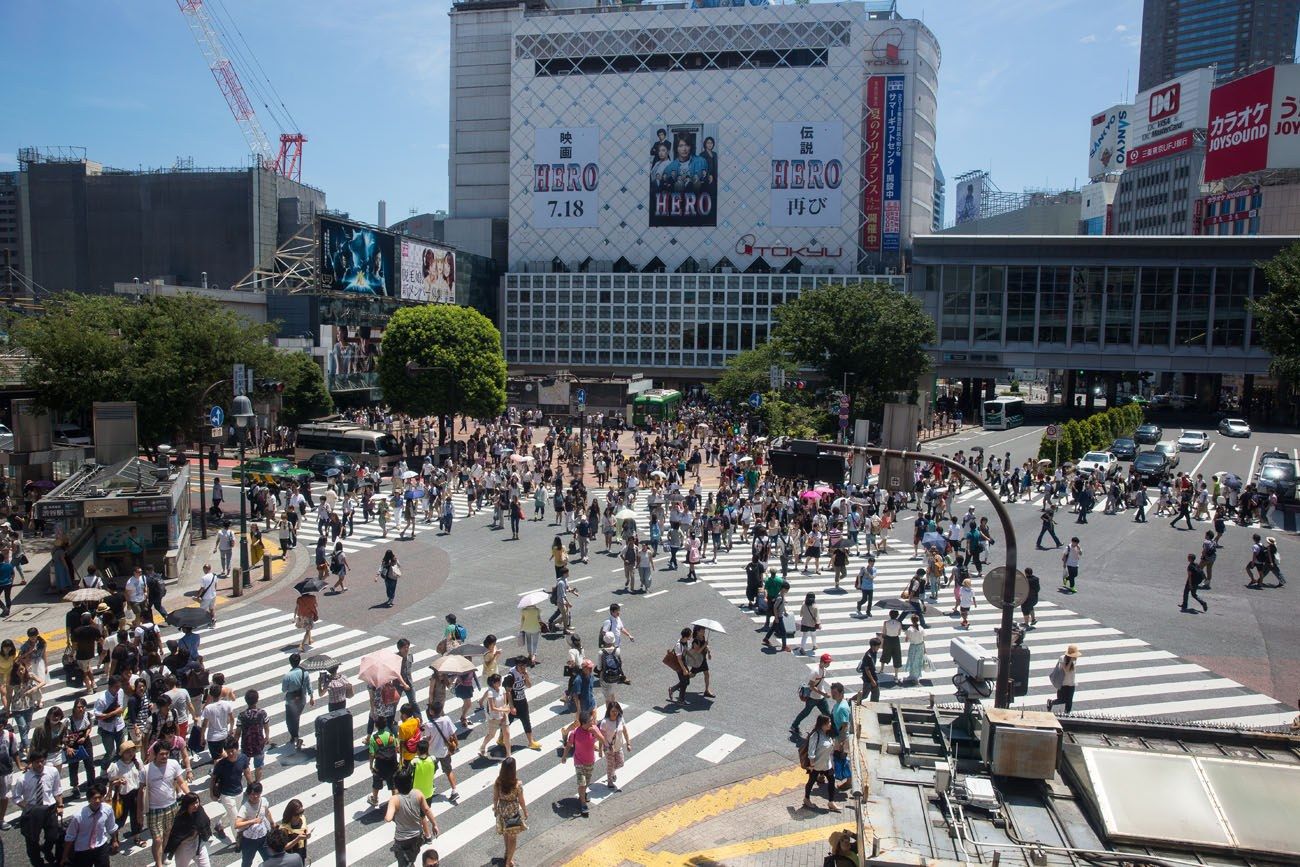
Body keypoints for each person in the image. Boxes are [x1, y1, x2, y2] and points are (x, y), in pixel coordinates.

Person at [143, 739, 188, 867]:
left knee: (168, 834)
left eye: (166, 754)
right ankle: (158, 864)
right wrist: (139, 813)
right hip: (154, 810)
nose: (164, 756)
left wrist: (190, 795)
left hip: (171, 806)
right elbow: (141, 792)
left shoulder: (173, 764)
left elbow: (181, 781)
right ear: (155, 755)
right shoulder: (146, 770)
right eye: (162, 754)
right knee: (157, 839)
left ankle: (163, 856)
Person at [14, 751, 63, 867]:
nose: (40, 764)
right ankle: (37, 862)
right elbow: (16, 797)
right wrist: (27, 807)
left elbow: (57, 790)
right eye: (37, 762)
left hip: (49, 808)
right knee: (32, 840)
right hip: (33, 811)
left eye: (42, 761)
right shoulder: (23, 779)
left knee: (53, 835)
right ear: (31, 763)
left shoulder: (52, 772)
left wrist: (60, 805)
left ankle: (46, 849)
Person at [385, 766, 439, 867]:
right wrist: (434, 824)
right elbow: (427, 810)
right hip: (417, 837)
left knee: (405, 863)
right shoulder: (417, 793)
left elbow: (388, 818)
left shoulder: (395, 799)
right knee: (410, 861)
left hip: (402, 839)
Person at [60, 780, 120, 865]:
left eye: (100, 797)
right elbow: (70, 837)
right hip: (83, 850)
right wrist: (64, 856)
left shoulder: (107, 809)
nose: (97, 801)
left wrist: (114, 841)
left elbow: (112, 827)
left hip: (101, 846)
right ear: (89, 800)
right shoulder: (78, 817)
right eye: (94, 798)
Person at [562, 708, 603, 818]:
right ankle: (583, 804)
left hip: (590, 761)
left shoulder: (594, 729)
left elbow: (602, 740)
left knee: (587, 781)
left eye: (592, 720)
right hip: (578, 761)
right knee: (582, 783)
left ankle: (582, 795)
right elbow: (569, 745)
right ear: (583, 724)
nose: (593, 721)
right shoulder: (575, 733)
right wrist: (564, 756)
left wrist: (599, 749)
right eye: (590, 721)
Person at [210, 738, 250, 844]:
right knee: (235, 818)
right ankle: (239, 840)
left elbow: (247, 771)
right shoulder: (221, 764)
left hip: (239, 792)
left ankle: (220, 825)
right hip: (226, 795)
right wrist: (212, 793)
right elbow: (213, 778)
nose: (230, 754)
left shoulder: (243, 758)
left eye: (232, 751)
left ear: (237, 749)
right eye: (228, 752)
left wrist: (251, 785)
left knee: (232, 813)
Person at [108, 739, 144, 849]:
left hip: (136, 794)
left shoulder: (137, 762)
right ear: (122, 753)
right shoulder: (115, 766)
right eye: (128, 751)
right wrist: (118, 782)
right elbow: (110, 782)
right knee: (119, 818)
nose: (131, 753)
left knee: (136, 816)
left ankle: (137, 837)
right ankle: (114, 839)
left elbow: (142, 776)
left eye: (133, 750)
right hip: (121, 796)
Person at [492, 757, 527, 867]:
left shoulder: (498, 782)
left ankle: (507, 853)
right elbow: (521, 800)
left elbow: (495, 798)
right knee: (513, 838)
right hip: (513, 812)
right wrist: (525, 811)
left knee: (506, 833)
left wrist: (495, 808)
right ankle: (508, 862)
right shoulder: (517, 784)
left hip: (502, 809)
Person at [800, 715, 839, 812]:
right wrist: (812, 765)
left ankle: (831, 802)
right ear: (823, 724)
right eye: (829, 722)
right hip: (816, 766)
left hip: (827, 764)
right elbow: (811, 752)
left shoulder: (828, 734)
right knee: (811, 782)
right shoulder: (815, 735)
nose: (830, 724)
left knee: (832, 781)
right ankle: (806, 799)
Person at [502, 657, 542, 753]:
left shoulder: (524, 672)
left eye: (525, 665)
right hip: (514, 702)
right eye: (521, 666)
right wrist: (511, 706)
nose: (523, 668)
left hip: (522, 701)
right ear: (517, 665)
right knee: (508, 722)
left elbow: (529, 686)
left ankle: (531, 741)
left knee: (526, 720)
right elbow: (508, 692)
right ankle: (500, 738)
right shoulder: (511, 676)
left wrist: (526, 676)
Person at [423, 702, 460, 804]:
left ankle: (430, 786)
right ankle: (454, 790)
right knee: (448, 770)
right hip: (445, 751)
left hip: (432, 752)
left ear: (431, 711)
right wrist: (456, 744)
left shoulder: (429, 725)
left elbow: (428, 738)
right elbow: (453, 733)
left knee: (430, 770)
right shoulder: (447, 719)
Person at [163, 793, 213, 867]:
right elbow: (175, 837)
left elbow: (206, 822)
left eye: (197, 802)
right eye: (192, 804)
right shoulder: (180, 818)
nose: (196, 805)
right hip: (184, 846)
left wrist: (206, 835)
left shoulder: (200, 811)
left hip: (198, 843)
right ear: (187, 805)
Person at [791, 654, 832, 737]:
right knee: (805, 713)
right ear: (822, 662)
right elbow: (811, 686)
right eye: (827, 662)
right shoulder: (815, 672)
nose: (829, 664)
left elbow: (820, 684)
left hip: (820, 698)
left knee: (827, 714)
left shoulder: (824, 670)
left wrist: (823, 694)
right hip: (813, 697)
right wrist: (824, 693)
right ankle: (794, 726)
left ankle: (825, 730)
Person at [234, 781, 273, 867]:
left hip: (263, 836)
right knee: (247, 862)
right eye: (252, 794)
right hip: (249, 840)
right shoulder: (245, 808)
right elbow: (237, 824)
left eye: (257, 794)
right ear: (248, 794)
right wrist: (252, 821)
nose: (255, 796)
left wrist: (272, 823)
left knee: (269, 859)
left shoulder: (264, 801)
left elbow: (267, 812)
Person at [280, 654, 313, 751]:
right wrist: (311, 697)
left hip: (291, 701)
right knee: (296, 717)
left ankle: (295, 736)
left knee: (289, 720)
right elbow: (309, 686)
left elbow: (284, 689)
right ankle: (295, 736)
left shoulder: (287, 676)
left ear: (290, 663)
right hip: (302, 699)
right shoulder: (304, 673)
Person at [367, 718, 400, 807]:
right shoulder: (391, 736)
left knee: (376, 783)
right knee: (393, 785)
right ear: (385, 725)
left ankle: (374, 799)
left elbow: (372, 753)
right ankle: (395, 804)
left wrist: (370, 765)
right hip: (392, 765)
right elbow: (397, 748)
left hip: (380, 766)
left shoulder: (374, 739)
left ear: (376, 726)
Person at [599, 701, 631, 791]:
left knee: (620, 763)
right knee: (610, 764)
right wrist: (601, 749)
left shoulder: (620, 719)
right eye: (613, 711)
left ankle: (612, 772)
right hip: (608, 748)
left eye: (616, 711)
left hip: (618, 747)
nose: (615, 713)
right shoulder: (605, 722)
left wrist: (628, 743)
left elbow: (625, 731)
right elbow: (601, 737)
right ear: (609, 711)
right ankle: (610, 781)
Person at [1046, 645, 1081, 714]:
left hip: (1071, 683)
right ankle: (1051, 702)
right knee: (1062, 700)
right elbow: (1066, 670)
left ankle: (1067, 714)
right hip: (1063, 683)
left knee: (1069, 701)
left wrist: (1072, 660)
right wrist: (1071, 660)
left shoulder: (1074, 660)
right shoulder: (1062, 658)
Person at [854, 637, 881, 704]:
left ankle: (874, 705)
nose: (879, 648)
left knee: (876, 693)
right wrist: (872, 680)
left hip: (873, 676)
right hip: (868, 678)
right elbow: (867, 669)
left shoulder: (874, 652)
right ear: (873, 646)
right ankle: (851, 700)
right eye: (878, 646)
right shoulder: (868, 656)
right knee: (864, 695)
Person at [879, 611, 904, 683]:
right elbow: (899, 633)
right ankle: (896, 675)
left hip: (888, 639)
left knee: (885, 653)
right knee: (897, 656)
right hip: (896, 640)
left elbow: (884, 632)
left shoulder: (886, 622)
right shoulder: (899, 623)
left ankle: (881, 669)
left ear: (890, 615)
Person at [904, 614, 927, 683]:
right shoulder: (921, 628)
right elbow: (923, 639)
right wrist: (925, 649)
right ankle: (916, 676)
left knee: (912, 660)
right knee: (918, 661)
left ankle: (913, 676)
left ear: (911, 620)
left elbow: (906, 640)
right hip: (920, 646)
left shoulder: (910, 629)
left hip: (913, 646)